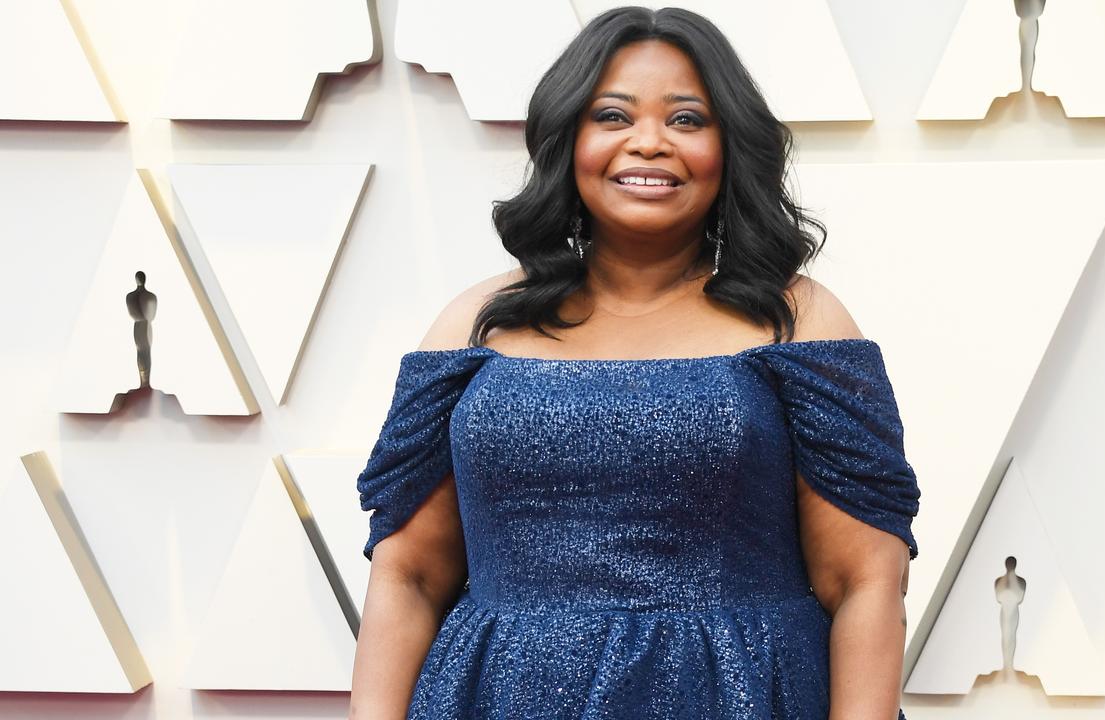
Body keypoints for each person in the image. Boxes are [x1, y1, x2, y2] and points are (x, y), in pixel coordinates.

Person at [349, 7, 921, 719]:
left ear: (729, 145)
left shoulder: (799, 320)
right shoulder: (475, 324)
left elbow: (866, 579)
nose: (648, 143)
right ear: (569, 138)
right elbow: (408, 576)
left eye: (687, 120)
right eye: (612, 115)